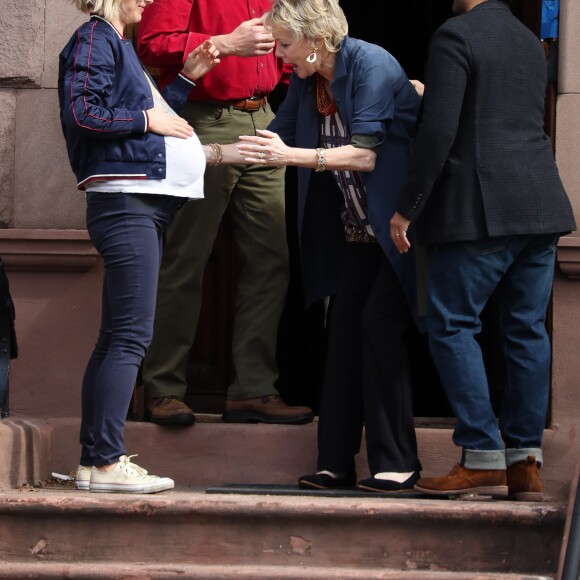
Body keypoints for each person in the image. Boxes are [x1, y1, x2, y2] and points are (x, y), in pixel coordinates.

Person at [390, 0, 576, 501]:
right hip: (540, 203)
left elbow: (440, 131)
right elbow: (498, 114)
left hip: (480, 210)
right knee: (526, 331)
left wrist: (408, 206)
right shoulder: (525, 40)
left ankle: (481, 455)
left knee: (451, 324)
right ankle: (524, 463)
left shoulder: (455, 34)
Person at [236, 0, 424, 492]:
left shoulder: (372, 64)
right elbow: (271, 139)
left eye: (284, 44)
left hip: (403, 231)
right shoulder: (309, 80)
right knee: (342, 337)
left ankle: (397, 463)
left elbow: (364, 155)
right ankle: (336, 463)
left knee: (378, 328)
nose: (279, 56)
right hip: (358, 231)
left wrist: (292, 155)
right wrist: (204, 151)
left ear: (316, 39)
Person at [59, 0, 221, 492]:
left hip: (136, 204)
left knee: (116, 337)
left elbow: (150, 112)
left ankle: (95, 461)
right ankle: (106, 463)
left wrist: (186, 82)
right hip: (127, 205)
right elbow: (83, 112)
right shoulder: (94, 38)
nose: (150, 0)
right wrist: (149, 122)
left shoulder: (115, 42)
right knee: (130, 336)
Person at [136, 0, 314, 426]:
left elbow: (285, 53)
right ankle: (162, 387)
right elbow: (151, 45)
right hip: (202, 120)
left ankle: (253, 389)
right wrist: (225, 44)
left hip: (266, 120)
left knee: (271, 261)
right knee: (186, 256)